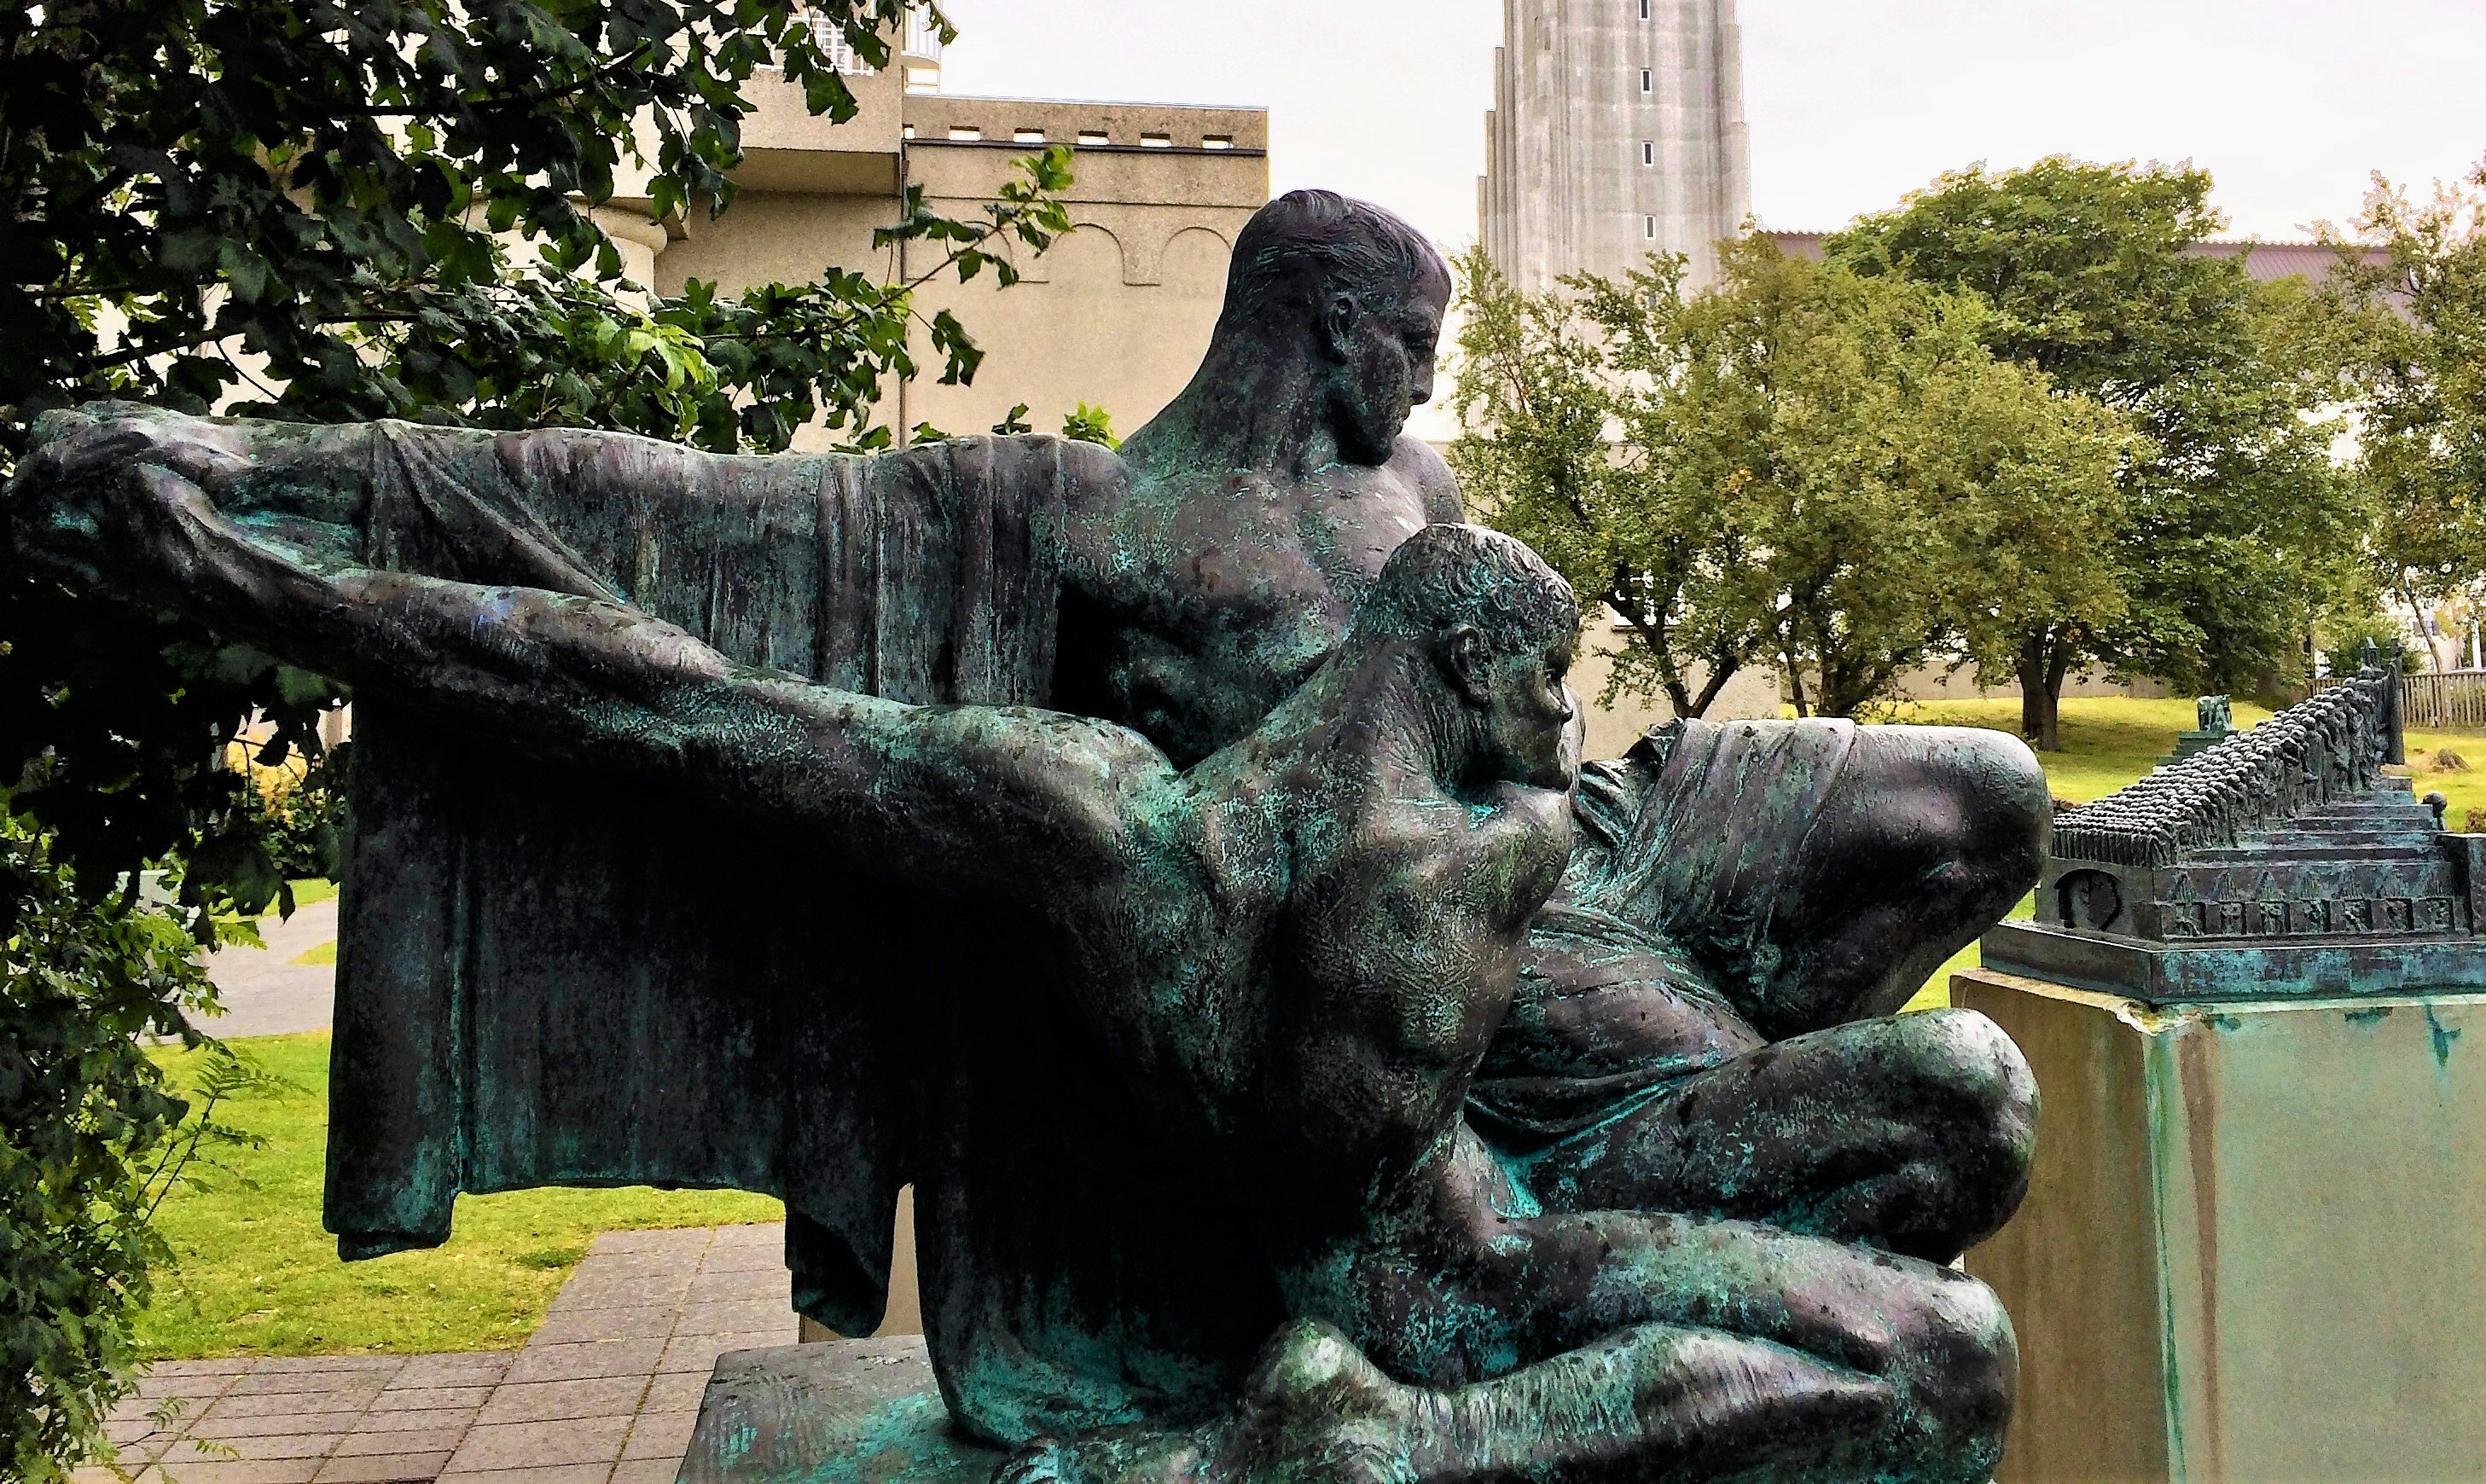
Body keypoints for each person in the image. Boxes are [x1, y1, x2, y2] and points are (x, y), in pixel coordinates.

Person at [27, 454, 2013, 1484]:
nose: (1573, 723)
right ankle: (1384, 1450)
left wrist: (246, 568)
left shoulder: (1143, 823)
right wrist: (244, 566)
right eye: (1552, 688)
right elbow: (655, 702)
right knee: (1947, 1360)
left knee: (1957, 1111)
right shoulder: (1225, 841)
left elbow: (669, 689)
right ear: (1479, 670)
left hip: (1502, 1218)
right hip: (1437, 1289)